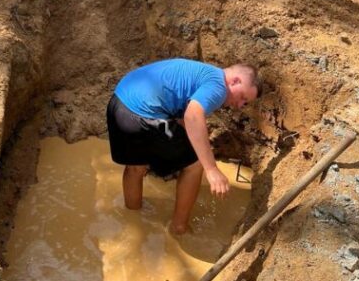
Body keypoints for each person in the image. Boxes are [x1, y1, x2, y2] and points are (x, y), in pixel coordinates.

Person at [107, 58, 260, 234]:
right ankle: (179, 227)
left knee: (136, 167)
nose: (240, 105)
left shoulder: (202, 73)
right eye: (242, 97)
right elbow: (193, 116)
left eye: (245, 103)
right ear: (235, 81)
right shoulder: (218, 86)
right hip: (144, 115)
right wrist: (211, 169)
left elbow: (183, 117)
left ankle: (132, 219)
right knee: (195, 165)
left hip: (119, 104)